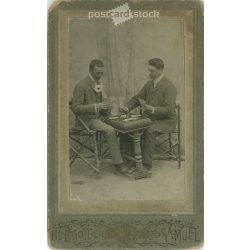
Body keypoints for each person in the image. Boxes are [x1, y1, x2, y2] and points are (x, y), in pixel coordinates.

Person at [71, 59, 129, 173]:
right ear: (90, 70)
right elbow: (75, 108)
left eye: (102, 73)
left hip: (99, 117)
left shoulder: (98, 84)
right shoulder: (81, 85)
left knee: (123, 124)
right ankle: (119, 164)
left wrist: (108, 106)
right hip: (87, 120)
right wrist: (96, 106)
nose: (100, 75)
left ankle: (126, 157)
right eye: (98, 73)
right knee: (110, 130)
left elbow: (101, 102)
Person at [120, 58, 178, 171]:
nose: (150, 74)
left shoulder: (169, 87)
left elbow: (170, 110)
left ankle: (146, 164)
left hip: (166, 121)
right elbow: (138, 98)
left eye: (153, 71)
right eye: (149, 71)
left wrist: (153, 110)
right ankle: (131, 161)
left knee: (149, 130)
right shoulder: (149, 84)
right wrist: (127, 107)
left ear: (161, 69)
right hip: (151, 119)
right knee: (129, 126)